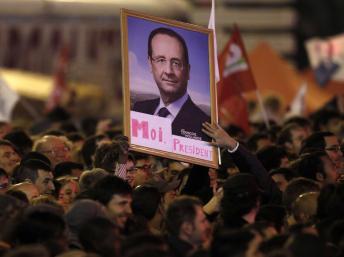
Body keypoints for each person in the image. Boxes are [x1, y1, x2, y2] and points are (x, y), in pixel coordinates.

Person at [132, 27, 210, 141]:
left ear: (188, 71)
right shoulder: (139, 110)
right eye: (161, 60)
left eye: (176, 63)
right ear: (150, 64)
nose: (168, 71)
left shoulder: (204, 125)